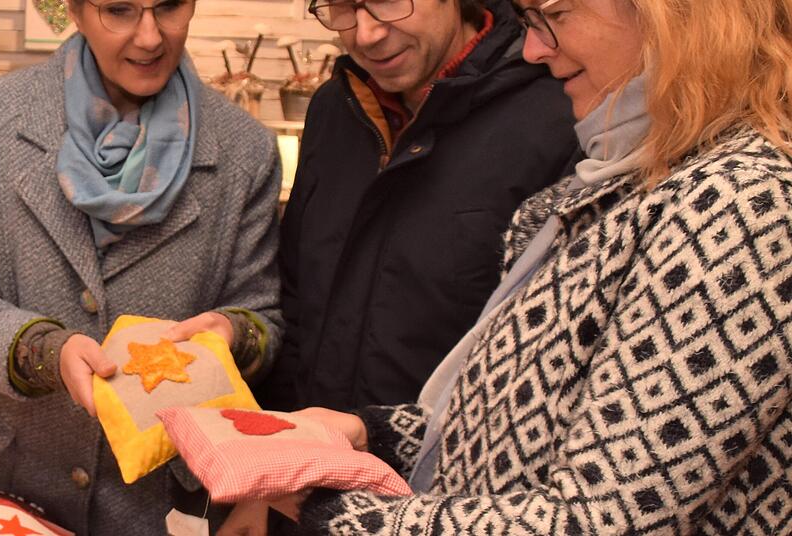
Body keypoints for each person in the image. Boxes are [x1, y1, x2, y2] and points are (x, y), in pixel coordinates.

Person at [284, 0, 792, 533]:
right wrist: (374, 436)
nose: (533, 49)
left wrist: (314, 505)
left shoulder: (742, 204)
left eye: (555, 14)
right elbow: (530, 430)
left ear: (676, 15)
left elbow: (602, 520)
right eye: (529, 22)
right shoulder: (635, 178)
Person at [0, 0, 282, 534]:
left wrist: (232, 335)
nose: (150, 37)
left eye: (169, 6)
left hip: (155, 500)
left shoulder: (245, 151)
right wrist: (47, 352)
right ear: (74, 10)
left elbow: (262, 318)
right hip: (1, 482)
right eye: (119, 9)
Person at [261, 0, 579, 415]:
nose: (366, 34)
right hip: (309, 446)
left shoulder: (558, 117)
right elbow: (296, 296)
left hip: (447, 451)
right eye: (341, 7)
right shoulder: (333, 108)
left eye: (388, 1)